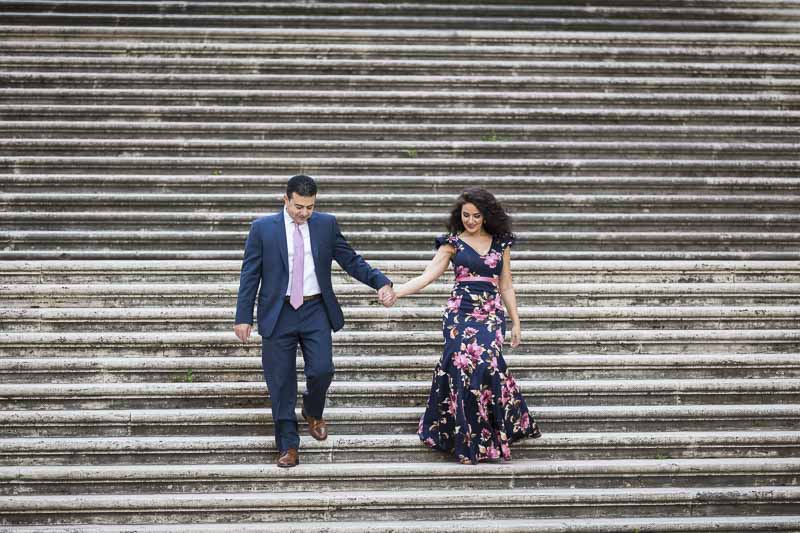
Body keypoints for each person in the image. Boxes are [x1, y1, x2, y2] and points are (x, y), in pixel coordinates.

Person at [234, 175, 396, 467]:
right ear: (285, 199)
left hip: (315, 309)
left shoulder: (325, 224)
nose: (304, 213)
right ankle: (288, 445)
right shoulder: (262, 229)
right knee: (281, 382)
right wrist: (243, 316)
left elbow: (351, 260)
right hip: (278, 312)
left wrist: (380, 282)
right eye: (299, 206)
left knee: (322, 370)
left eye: (309, 207)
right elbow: (250, 275)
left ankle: (312, 409)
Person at [393, 188, 541, 464]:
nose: (471, 220)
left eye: (476, 215)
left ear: (486, 216)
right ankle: (466, 443)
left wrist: (516, 322)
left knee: (486, 365)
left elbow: (506, 284)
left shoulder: (500, 243)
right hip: (459, 312)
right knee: (461, 367)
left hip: (490, 312)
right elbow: (428, 275)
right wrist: (397, 292)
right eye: (466, 215)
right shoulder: (451, 243)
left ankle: (488, 438)